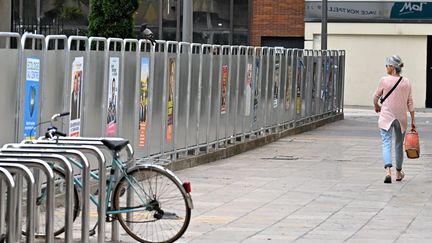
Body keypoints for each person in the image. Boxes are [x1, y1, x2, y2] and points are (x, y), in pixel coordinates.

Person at [373, 55, 415, 184]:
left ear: (392, 67)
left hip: (386, 117)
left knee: (386, 142)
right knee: (398, 145)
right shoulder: (406, 81)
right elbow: (410, 102)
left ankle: (388, 172)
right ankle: (398, 173)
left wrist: (377, 106)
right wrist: (413, 120)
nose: (386, 68)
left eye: (387, 66)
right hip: (401, 118)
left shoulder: (384, 80)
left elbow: (375, 97)